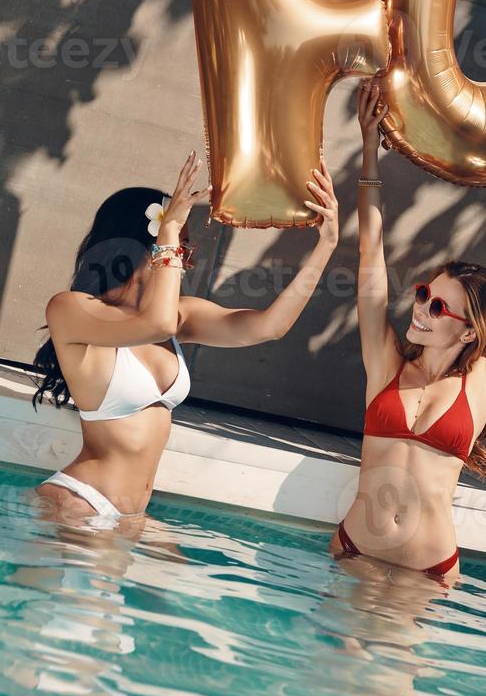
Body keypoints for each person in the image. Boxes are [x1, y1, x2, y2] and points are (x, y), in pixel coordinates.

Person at [329, 78, 486, 582]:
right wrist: (371, 149)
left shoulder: (482, 381)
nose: (421, 310)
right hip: (356, 549)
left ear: (467, 333)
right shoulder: (386, 362)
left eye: (438, 307)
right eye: (422, 294)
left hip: (427, 571)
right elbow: (372, 253)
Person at [32, 150, 339, 528]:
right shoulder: (72, 309)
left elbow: (269, 327)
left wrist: (326, 245)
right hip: (80, 504)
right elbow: (157, 325)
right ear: (146, 247)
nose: (186, 262)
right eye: (182, 249)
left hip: (131, 516)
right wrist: (169, 234)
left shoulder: (182, 314)